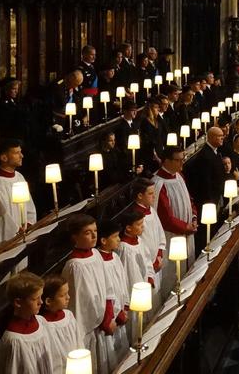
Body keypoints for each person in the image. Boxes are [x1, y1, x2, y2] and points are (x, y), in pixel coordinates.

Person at [62, 214, 117, 373]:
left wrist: (107, 316)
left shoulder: (96, 254)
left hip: (101, 323)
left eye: (95, 231)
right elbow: (80, 304)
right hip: (88, 330)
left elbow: (107, 287)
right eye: (87, 232)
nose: (94, 236)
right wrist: (99, 320)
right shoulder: (74, 266)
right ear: (75, 237)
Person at [0, 271, 55, 374]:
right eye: (35, 299)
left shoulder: (41, 322)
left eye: (41, 297)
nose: (41, 302)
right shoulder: (14, 340)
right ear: (18, 302)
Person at [153, 146, 197, 284]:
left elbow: (189, 200)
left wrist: (194, 217)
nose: (182, 163)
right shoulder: (158, 183)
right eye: (178, 160)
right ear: (166, 161)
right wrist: (186, 227)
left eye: (182, 159)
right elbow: (165, 218)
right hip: (172, 237)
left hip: (187, 231)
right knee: (174, 275)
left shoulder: (179, 176)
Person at [0, 138, 37, 244]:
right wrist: (17, 231)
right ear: (4, 157)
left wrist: (28, 224)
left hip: (24, 234)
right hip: (7, 239)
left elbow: (29, 206)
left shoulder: (19, 177)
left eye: (20, 152)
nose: (22, 156)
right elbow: (2, 217)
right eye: (17, 153)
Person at [96, 219, 130, 366]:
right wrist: (114, 315)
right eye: (115, 236)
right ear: (103, 240)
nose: (119, 239)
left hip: (120, 313)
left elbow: (123, 284)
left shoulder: (115, 257)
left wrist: (125, 307)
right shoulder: (98, 263)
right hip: (109, 319)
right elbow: (105, 293)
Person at [129, 178, 165, 308]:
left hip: (157, 263)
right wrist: (152, 263)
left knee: (157, 299)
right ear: (139, 195)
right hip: (147, 267)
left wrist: (159, 254)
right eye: (150, 193)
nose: (154, 196)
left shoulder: (152, 211)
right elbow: (141, 245)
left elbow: (160, 234)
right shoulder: (136, 217)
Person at [41, 275, 84, 368]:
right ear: (48, 301)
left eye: (67, 293)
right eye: (62, 295)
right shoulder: (43, 325)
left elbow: (79, 342)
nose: (68, 297)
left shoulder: (69, 316)